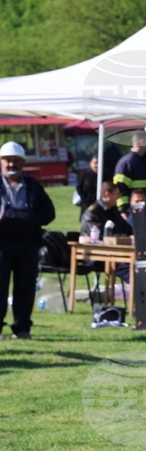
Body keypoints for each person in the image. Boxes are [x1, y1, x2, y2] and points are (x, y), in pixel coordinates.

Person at [0, 141, 55, 340]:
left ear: (22, 162)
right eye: (7, 160)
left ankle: (22, 329)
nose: (11, 164)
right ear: (1, 162)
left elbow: (49, 213)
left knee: (25, 289)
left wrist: (28, 219)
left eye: (16, 161)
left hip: (28, 245)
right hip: (1, 246)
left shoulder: (33, 186)